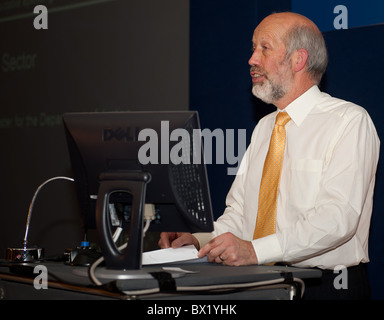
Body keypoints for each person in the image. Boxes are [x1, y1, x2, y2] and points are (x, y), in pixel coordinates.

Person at [158, 12, 380, 299]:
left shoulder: (349, 121)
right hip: (262, 283)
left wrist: (254, 250)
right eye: (253, 48)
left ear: (298, 60)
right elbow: (240, 214)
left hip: (324, 287)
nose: (252, 59)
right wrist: (199, 239)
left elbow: (337, 219)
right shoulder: (266, 127)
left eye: (264, 48)